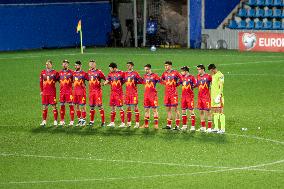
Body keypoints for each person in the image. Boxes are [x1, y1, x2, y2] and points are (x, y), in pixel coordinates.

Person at [161, 61, 182, 130]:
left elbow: (181, 79)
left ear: (170, 66)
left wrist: (176, 84)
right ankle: (169, 125)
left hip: (173, 94)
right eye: (165, 65)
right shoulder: (165, 73)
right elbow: (161, 80)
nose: (165, 67)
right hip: (167, 94)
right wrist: (166, 84)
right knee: (168, 109)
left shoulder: (175, 73)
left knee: (175, 109)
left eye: (167, 65)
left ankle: (177, 126)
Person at [103, 63, 125, 127]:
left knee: (120, 107)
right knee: (112, 107)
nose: (110, 70)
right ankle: (112, 122)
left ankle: (123, 123)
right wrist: (104, 83)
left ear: (114, 68)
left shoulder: (121, 73)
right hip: (112, 93)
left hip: (119, 93)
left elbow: (124, 80)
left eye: (111, 68)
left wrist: (120, 85)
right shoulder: (110, 74)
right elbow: (107, 80)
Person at [39, 60, 59, 127]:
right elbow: (41, 82)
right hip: (45, 93)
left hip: (52, 93)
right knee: (44, 107)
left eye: (48, 64)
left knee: (54, 107)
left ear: (51, 65)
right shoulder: (42, 72)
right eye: (46, 64)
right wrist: (41, 91)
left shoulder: (55, 73)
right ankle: (44, 121)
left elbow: (59, 81)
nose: (47, 65)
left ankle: (55, 121)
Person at [87, 60, 106, 127]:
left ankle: (103, 122)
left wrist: (103, 83)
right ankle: (91, 121)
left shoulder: (99, 72)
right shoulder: (88, 72)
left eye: (93, 63)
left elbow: (106, 79)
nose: (91, 65)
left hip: (97, 92)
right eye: (90, 63)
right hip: (91, 92)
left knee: (99, 106)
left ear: (95, 64)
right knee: (92, 107)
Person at [124, 61, 143, 128]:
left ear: (132, 66)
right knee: (128, 108)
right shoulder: (125, 73)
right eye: (127, 65)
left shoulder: (135, 73)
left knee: (135, 107)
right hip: (127, 93)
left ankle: (137, 123)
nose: (128, 67)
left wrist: (136, 82)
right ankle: (129, 123)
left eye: (129, 65)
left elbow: (141, 80)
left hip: (134, 93)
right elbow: (122, 81)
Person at [208, 64, 225, 134]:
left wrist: (219, 95)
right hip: (213, 97)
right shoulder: (213, 75)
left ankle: (222, 128)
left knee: (220, 111)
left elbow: (221, 85)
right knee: (214, 112)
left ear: (213, 69)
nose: (210, 72)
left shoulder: (220, 75)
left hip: (218, 97)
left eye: (210, 70)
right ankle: (216, 128)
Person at [141, 64, 160, 129]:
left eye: (147, 69)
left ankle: (156, 125)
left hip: (153, 96)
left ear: (149, 69)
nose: (145, 70)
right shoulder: (144, 76)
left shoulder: (155, 75)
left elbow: (161, 81)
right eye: (145, 69)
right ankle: (146, 124)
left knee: (155, 110)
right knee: (146, 109)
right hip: (146, 95)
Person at [179, 66, 197, 131]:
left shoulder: (192, 77)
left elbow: (196, 83)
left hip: (190, 97)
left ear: (186, 71)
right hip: (183, 97)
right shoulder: (182, 77)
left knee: (191, 111)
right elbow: (178, 83)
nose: (181, 72)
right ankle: (184, 125)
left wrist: (191, 87)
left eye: (182, 71)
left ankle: (193, 126)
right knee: (183, 111)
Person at [196, 64, 212, 132]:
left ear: (202, 69)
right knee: (201, 112)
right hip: (200, 97)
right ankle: (203, 127)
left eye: (199, 69)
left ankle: (209, 128)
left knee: (208, 112)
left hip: (206, 97)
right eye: (197, 69)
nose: (198, 71)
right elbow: (197, 84)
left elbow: (213, 84)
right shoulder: (198, 76)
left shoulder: (208, 76)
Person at [58, 59, 74, 126]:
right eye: (64, 63)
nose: (65, 64)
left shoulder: (71, 72)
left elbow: (74, 81)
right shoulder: (59, 73)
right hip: (62, 92)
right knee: (62, 105)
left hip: (69, 92)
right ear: (62, 64)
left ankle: (72, 121)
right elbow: (58, 80)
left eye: (66, 63)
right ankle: (62, 120)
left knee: (71, 105)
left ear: (68, 64)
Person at [73, 61, 88, 126]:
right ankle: (79, 120)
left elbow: (90, 79)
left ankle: (84, 120)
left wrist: (84, 85)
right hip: (75, 92)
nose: (75, 66)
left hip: (82, 92)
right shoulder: (73, 73)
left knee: (83, 106)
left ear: (80, 66)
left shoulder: (84, 73)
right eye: (75, 65)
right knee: (77, 106)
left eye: (77, 65)